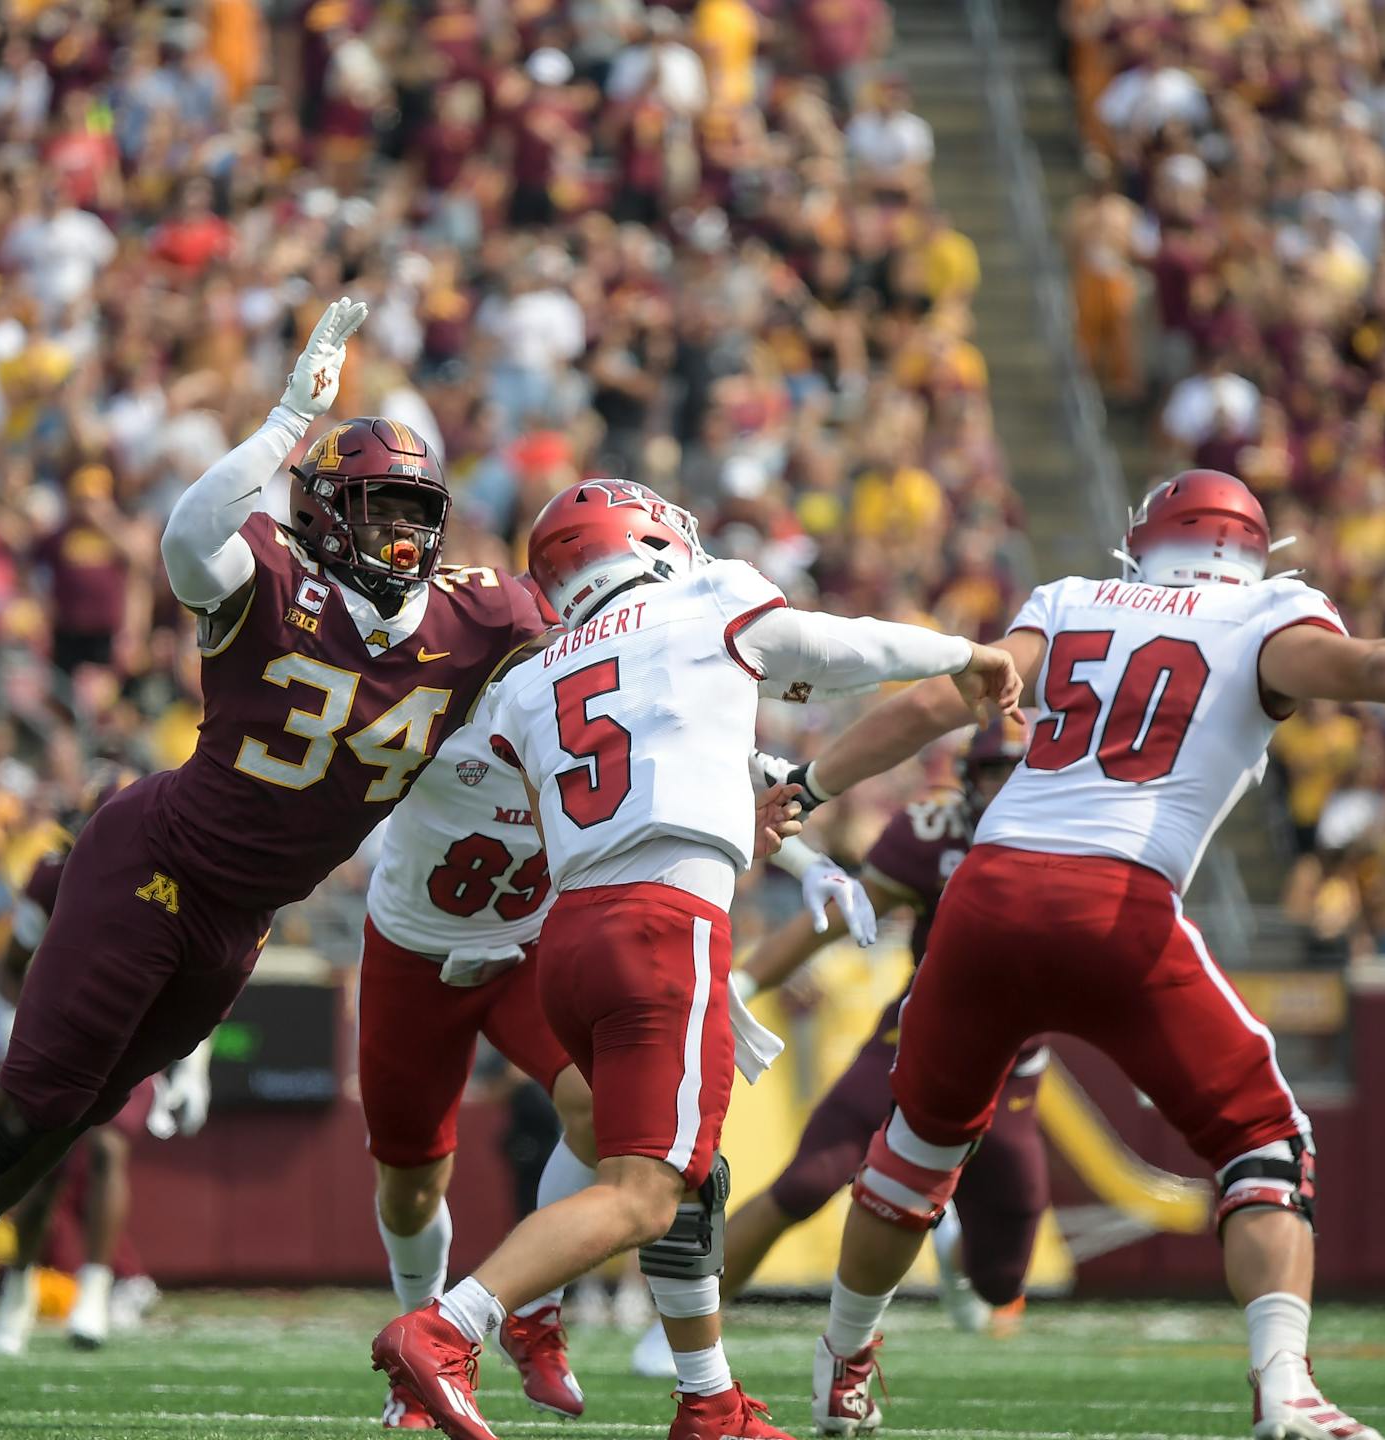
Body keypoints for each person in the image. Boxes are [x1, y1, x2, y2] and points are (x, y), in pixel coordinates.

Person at [0, 299, 547, 1439]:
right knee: (33, 1095)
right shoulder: (272, 575)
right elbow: (188, 532)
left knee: (76, 1111)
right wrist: (289, 418)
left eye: (416, 513)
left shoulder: (481, 618)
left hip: (245, 916)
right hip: (158, 861)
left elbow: (601, 651)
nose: (400, 535)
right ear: (326, 509)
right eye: (378, 507)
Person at [796, 470, 1385, 1440]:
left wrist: (805, 784)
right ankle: (1284, 1389)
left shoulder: (1067, 602)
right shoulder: (1266, 614)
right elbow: (1366, 671)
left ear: (1141, 541)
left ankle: (841, 1368)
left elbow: (944, 700)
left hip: (984, 895)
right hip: (1116, 898)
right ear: (1251, 548)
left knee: (916, 1149)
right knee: (1266, 1143)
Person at [372, 477, 1019, 1440]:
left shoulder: (526, 680)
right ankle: (449, 1327)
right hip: (656, 925)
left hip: (570, 938)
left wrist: (777, 837)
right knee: (645, 1190)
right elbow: (831, 648)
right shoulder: (707, 600)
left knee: (681, 1174)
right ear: (651, 540)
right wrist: (963, 652)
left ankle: (708, 1400)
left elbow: (614, 766)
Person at [712, 720, 1047, 1335]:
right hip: (918, 1038)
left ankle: (944, 1232)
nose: (1003, 788)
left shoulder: (1076, 841)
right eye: (993, 772)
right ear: (971, 780)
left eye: (1016, 771)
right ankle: (684, 1323)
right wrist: (744, 985)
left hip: (1011, 1063)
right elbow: (841, 916)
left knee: (1002, 1282)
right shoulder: (933, 834)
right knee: (806, 1181)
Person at [356, 584, 598, 1427]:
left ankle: (531, 1306)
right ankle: (419, 1358)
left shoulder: (591, 724)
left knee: (607, 1112)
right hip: (416, 957)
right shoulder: (433, 721)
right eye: (526, 653)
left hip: (526, 952)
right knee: (413, 1183)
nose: (544, 667)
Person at [0, 831, 209, 1357]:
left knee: (109, 1150)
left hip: (128, 1033)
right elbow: (9, 964)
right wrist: (14, 1029)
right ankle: (18, 1284)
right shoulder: (52, 877)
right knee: (43, 1167)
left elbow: (202, 982)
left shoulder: (176, 876)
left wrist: (194, 1066)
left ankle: (95, 1289)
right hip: (58, 1029)